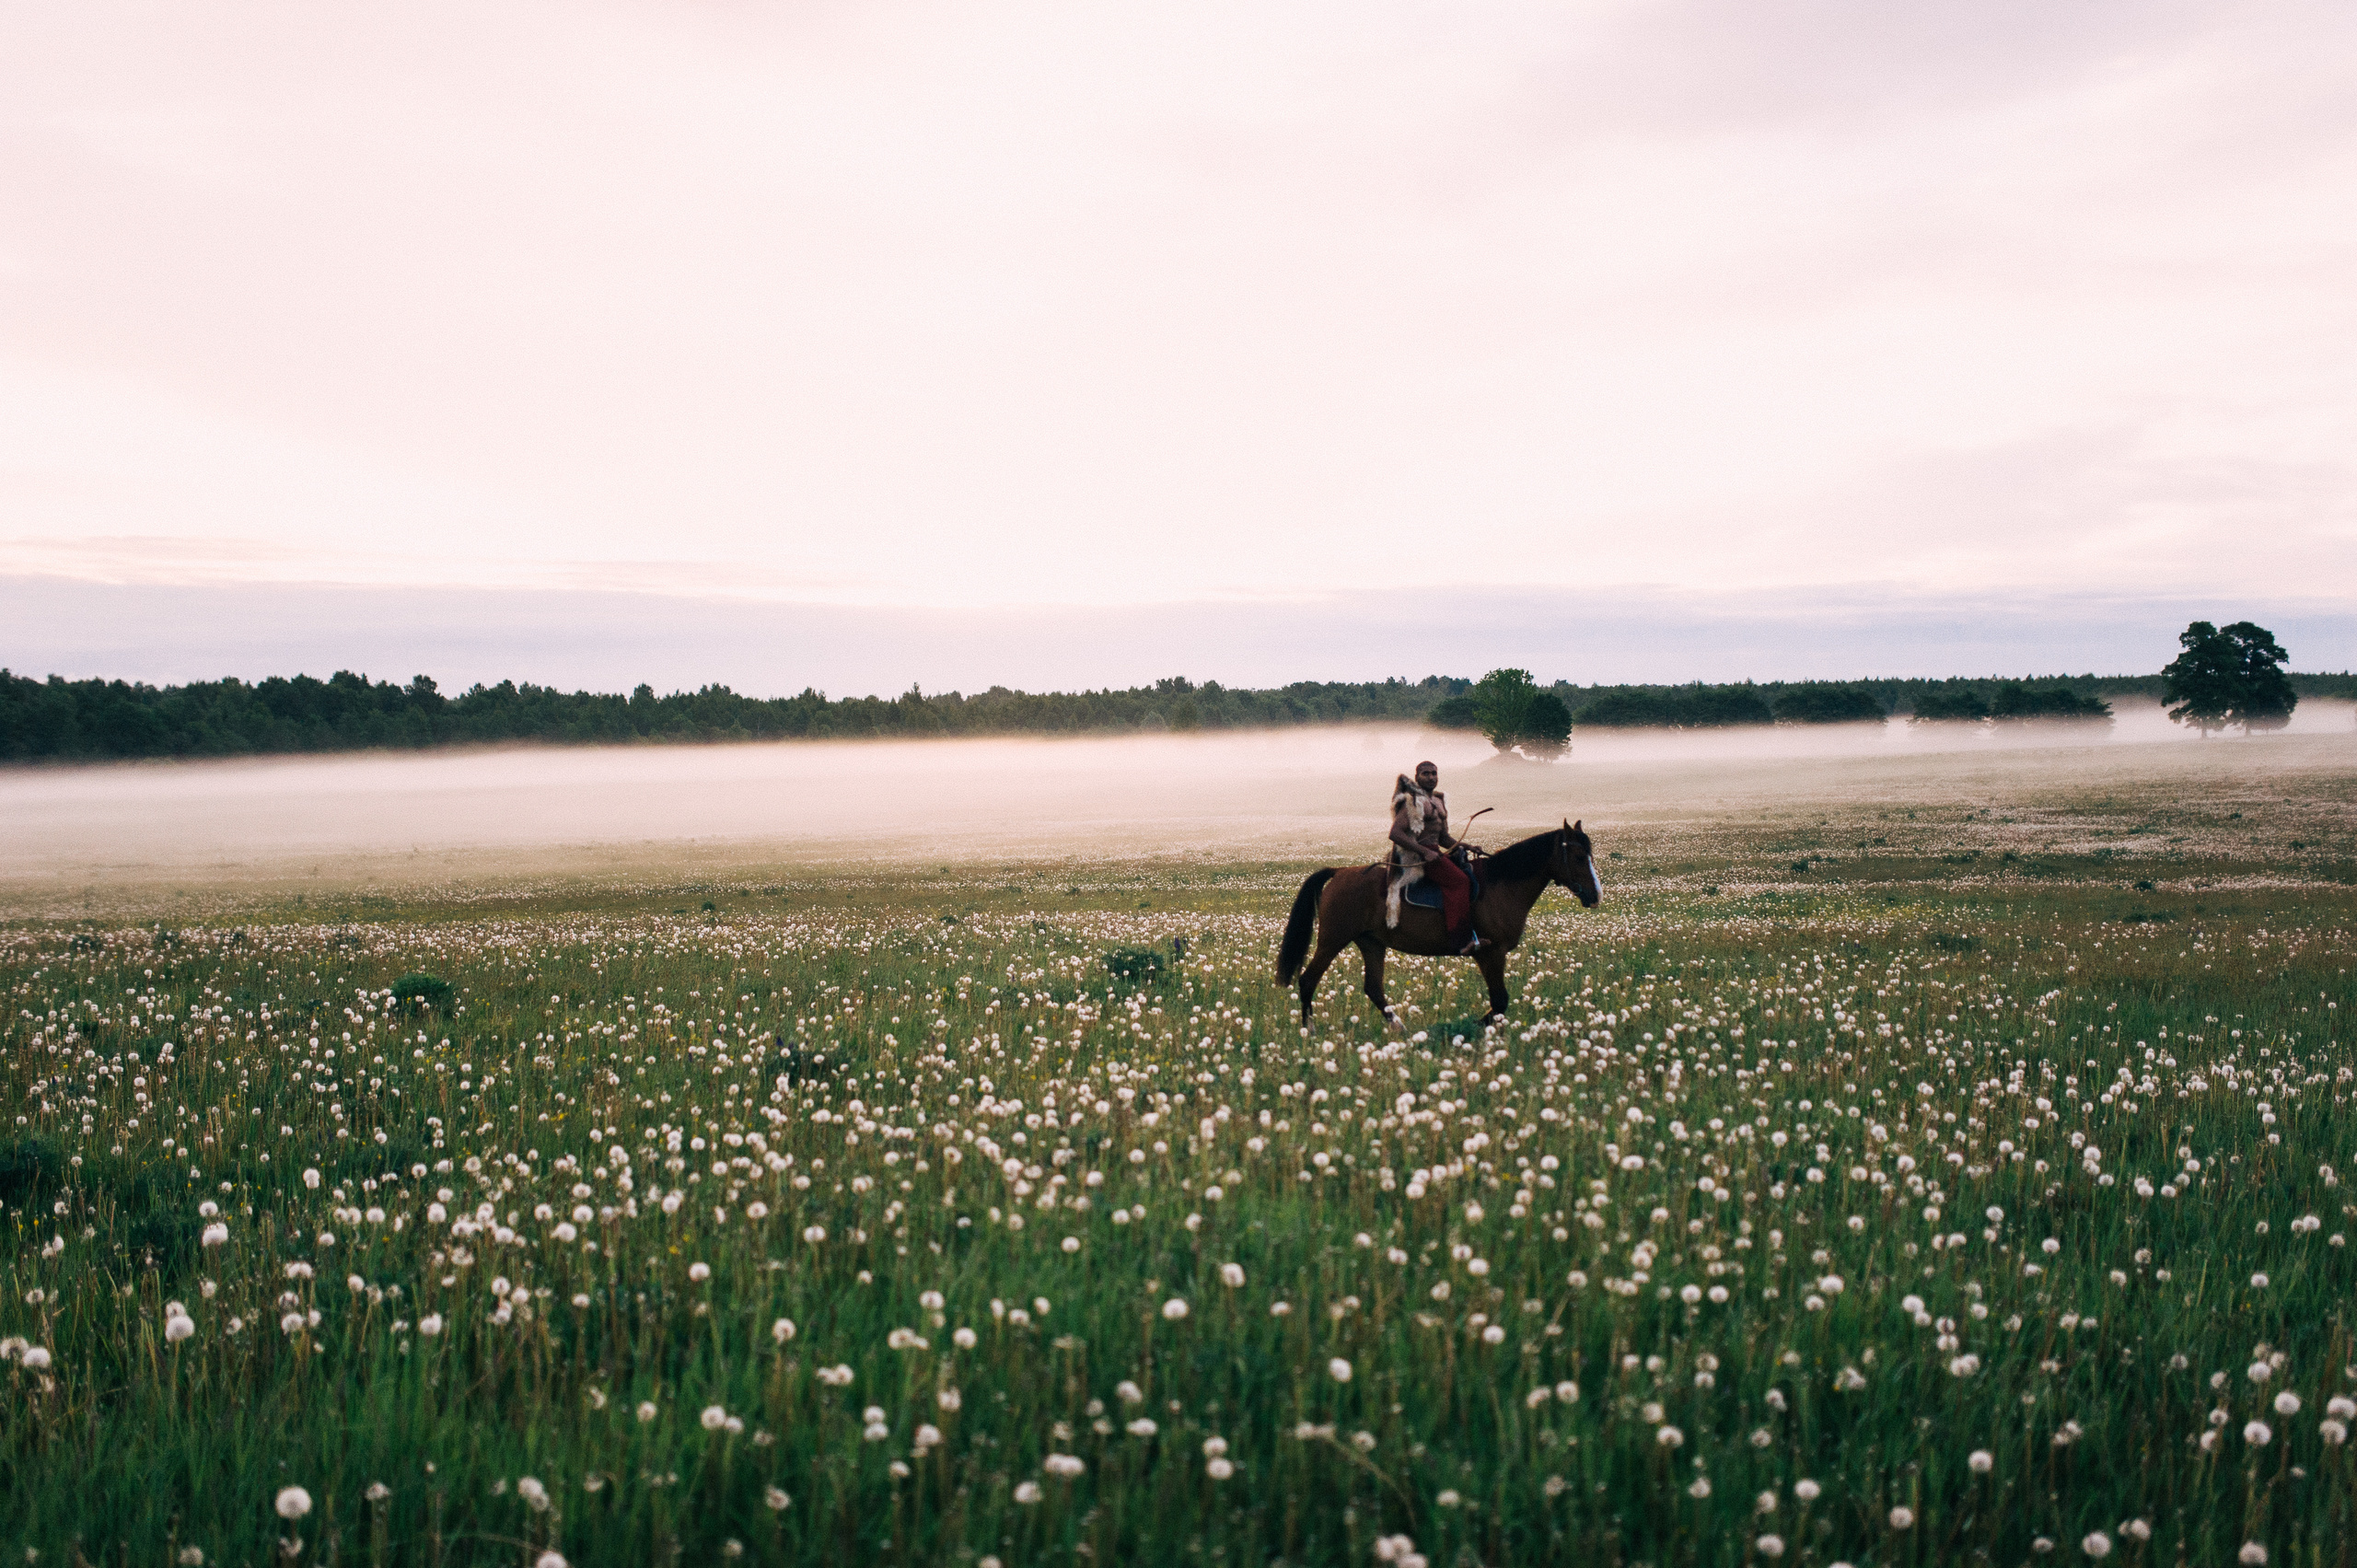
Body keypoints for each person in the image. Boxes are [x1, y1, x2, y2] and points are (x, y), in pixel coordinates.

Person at [1389, 760, 1480, 953]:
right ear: (1417, 778)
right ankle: (1460, 941)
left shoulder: (1438, 801)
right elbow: (1395, 833)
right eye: (1426, 774)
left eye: (1434, 773)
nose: (1431, 778)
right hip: (1420, 858)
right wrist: (1425, 852)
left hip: (1435, 854)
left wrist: (1467, 846)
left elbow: (1444, 838)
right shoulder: (1413, 802)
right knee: (1459, 882)